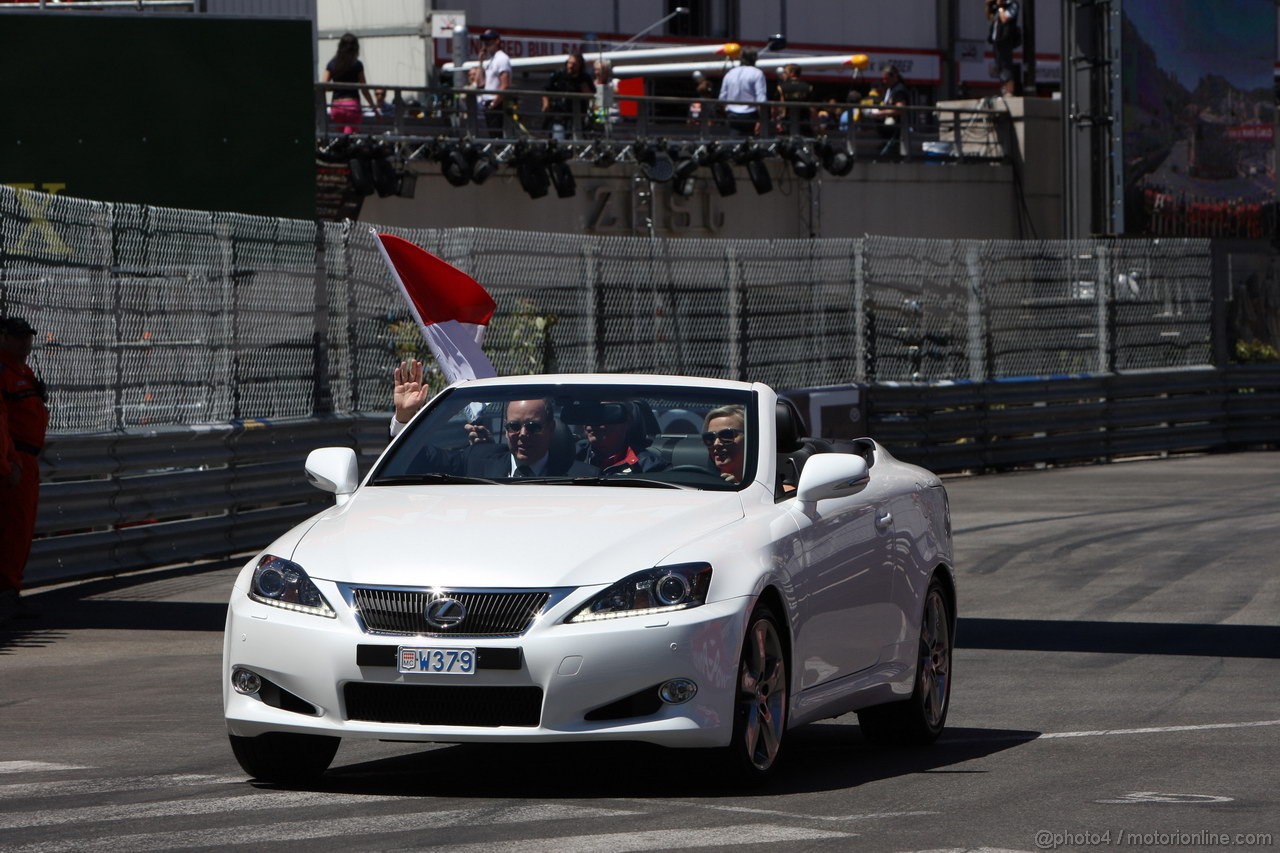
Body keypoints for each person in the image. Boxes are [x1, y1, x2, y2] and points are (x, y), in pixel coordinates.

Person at [0, 317, 49, 625]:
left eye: (28, 338)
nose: (25, 343)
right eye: (18, 338)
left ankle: (10, 594)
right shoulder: (3, 372)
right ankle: (5, 597)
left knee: (22, 531)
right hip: (14, 458)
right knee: (12, 530)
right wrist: (9, 462)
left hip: (26, 459)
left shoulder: (25, 371)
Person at [574, 402, 664, 475]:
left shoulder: (649, 467)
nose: (590, 425)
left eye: (602, 415)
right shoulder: (570, 457)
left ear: (627, 421)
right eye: (587, 416)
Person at [322, 32, 378, 134]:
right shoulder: (357, 65)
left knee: (341, 138)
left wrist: (336, 87)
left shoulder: (332, 64)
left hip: (336, 106)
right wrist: (374, 109)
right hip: (352, 106)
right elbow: (364, 89)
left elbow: (324, 86)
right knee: (349, 139)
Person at [541, 53, 594, 138]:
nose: (570, 66)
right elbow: (546, 88)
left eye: (574, 64)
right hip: (560, 115)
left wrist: (586, 91)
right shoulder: (560, 75)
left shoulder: (585, 78)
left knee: (578, 141)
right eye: (569, 63)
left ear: (580, 66)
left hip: (578, 117)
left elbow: (592, 95)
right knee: (559, 140)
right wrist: (545, 103)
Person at [718, 47, 767, 137]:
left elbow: (722, 98)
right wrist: (761, 120)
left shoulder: (730, 73)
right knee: (751, 144)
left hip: (732, 114)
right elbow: (761, 99)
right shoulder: (758, 73)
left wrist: (727, 111)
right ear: (755, 59)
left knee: (733, 142)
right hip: (750, 115)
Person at [478, 29, 513, 137]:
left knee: (496, 135)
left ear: (497, 41)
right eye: (485, 41)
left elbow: (505, 85)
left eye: (489, 40)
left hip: (496, 102)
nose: (486, 43)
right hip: (488, 102)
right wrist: (480, 62)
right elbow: (480, 84)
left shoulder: (502, 59)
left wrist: (494, 103)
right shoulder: (491, 60)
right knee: (491, 134)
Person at [702, 404, 746, 484]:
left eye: (727, 435)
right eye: (710, 437)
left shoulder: (771, 485)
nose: (716, 444)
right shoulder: (700, 484)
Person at [986, 0, 1021, 97]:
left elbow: (1005, 18)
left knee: (1006, 66)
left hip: (1006, 39)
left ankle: (1010, 91)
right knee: (1000, 66)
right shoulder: (997, 7)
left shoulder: (1012, 4)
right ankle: (1004, 90)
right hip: (996, 40)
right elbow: (989, 17)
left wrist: (1001, 6)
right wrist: (988, 5)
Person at [775, 63, 814, 137]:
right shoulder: (808, 87)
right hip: (804, 122)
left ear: (792, 73)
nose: (783, 75)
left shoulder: (781, 88)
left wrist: (775, 120)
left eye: (785, 73)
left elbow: (777, 107)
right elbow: (812, 108)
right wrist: (816, 125)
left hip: (787, 122)